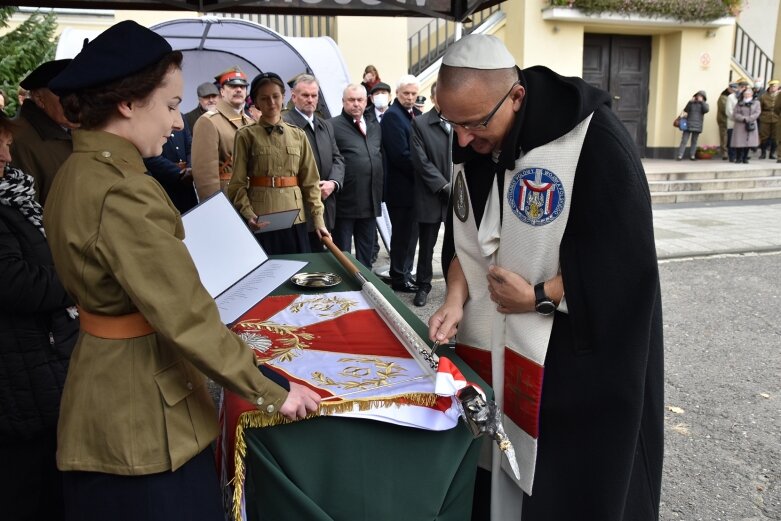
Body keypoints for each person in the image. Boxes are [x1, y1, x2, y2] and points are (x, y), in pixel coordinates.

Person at [45, 21, 320, 520]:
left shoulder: (79, 171)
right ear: (127, 103)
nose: (176, 123)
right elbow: (184, 314)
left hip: (107, 390)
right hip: (142, 419)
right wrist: (271, 389)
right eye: (170, 106)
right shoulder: (122, 188)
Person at [428, 35, 663, 520]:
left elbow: (624, 267)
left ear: (515, 97)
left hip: (569, 370)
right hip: (491, 356)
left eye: (473, 124)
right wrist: (455, 296)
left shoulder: (591, 141)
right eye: (453, 124)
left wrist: (538, 296)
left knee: (558, 493)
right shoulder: (472, 137)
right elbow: (466, 239)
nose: (464, 140)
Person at [0, 111, 79, 521]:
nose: (7, 154)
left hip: (38, 359)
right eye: (0, 143)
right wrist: (79, 279)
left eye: (8, 143)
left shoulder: (12, 194)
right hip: (20, 369)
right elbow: (16, 283)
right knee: (27, 485)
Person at [227, 72, 328, 255]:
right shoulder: (246, 135)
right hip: (262, 219)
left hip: (295, 218)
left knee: (299, 274)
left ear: (284, 97)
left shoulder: (298, 135)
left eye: (275, 96)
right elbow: (237, 185)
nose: (271, 103)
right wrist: (249, 214)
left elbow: (311, 183)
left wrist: (319, 220)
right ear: (255, 102)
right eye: (264, 98)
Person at [283, 74, 345, 251]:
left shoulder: (325, 125)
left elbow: (338, 158)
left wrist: (333, 183)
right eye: (305, 95)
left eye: (314, 95)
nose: (310, 99)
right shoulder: (285, 125)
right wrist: (310, 186)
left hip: (326, 203)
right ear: (294, 97)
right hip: (300, 207)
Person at [330, 84, 384, 268]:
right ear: (343, 102)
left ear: (366, 101)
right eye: (351, 100)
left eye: (360, 100)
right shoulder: (332, 126)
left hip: (369, 202)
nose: (356, 104)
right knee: (342, 254)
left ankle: (366, 286)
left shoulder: (373, 126)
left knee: (366, 254)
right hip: (345, 203)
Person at [10, 59, 75, 205]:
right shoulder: (18, 140)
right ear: (40, 99)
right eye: (66, 94)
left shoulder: (79, 130)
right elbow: (25, 212)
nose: (76, 102)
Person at [409, 81, 450, 307]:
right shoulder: (420, 124)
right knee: (426, 246)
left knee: (455, 246)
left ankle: (455, 288)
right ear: (434, 98)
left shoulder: (461, 120)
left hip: (457, 197)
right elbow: (420, 161)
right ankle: (423, 285)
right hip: (431, 195)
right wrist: (443, 186)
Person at [382, 74, 422, 293]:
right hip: (401, 188)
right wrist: (425, 168)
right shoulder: (393, 116)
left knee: (411, 236)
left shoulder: (414, 114)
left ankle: (406, 273)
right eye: (406, 93)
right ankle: (398, 276)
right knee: (402, 236)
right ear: (397, 94)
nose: (410, 97)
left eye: (413, 93)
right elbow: (400, 155)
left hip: (413, 188)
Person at [191, 66, 253, 201]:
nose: (238, 90)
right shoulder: (208, 121)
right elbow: (205, 175)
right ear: (222, 92)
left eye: (242, 87)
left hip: (252, 197)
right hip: (227, 197)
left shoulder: (250, 122)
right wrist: (214, 206)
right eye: (232, 86)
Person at [143, 127, 198, 214]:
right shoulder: (149, 123)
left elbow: (190, 146)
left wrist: (190, 168)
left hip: (189, 183)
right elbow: (149, 156)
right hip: (168, 186)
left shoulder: (180, 117)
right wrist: (179, 173)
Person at [731, 86, 761, 164]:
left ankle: (745, 158)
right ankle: (738, 158)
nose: (747, 95)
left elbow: (757, 113)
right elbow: (735, 113)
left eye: (748, 94)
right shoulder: (739, 102)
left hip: (751, 124)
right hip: (740, 124)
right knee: (739, 142)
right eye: (745, 94)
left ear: (751, 94)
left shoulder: (756, 103)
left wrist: (749, 118)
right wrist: (743, 118)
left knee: (749, 142)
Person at [676, 90, 709, 161]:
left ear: (703, 97)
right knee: (684, 140)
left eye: (701, 96)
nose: (699, 97)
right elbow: (686, 110)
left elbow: (706, 110)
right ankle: (680, 155)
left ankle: (692, 155)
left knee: (694, 141)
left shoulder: (705, 104)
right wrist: (690, 102)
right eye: (698, 95)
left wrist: (702, 102)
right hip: (688, 124)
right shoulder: (691, 103)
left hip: (697, 125)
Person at [726, 77, 749, 162]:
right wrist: (737, 118)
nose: (743, 88)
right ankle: (732, 156)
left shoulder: (746, 98)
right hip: (733, 122)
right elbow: (729, 111)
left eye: (745, 86)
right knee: (732, 140)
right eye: (742, 86)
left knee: (741, 140)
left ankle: (741, 156)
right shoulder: (731, 97)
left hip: (743, 123)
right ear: (738, 87)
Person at [758, 79, 778, 159]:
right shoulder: (763, 96)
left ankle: (772, 154)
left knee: (775, 137)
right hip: (765, 118)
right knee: (764, 136)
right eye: (771, 86)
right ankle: (763, 153)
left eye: (774, 86)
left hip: (777, 118)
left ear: (777, 87)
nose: (772, 88)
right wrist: (761, 116)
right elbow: (759, 108)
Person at [717, 83, 736, 160]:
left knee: (730, 137)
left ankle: (732, 152)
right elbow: (725, 109)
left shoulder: (734, 97)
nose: (734, 91)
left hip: (731, 120)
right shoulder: (723, 97)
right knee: (724, 137)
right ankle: (724, 153)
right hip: (724, 120)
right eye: (733, 89)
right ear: (729, 89)